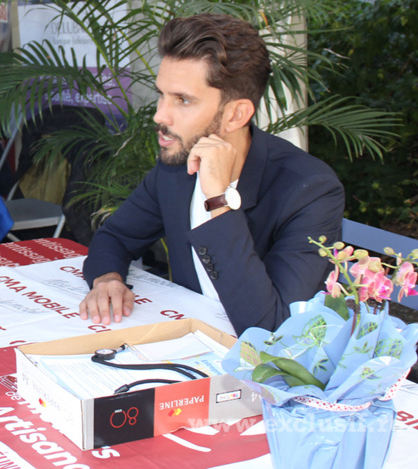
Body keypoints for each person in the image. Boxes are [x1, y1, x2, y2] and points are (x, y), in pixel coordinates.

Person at [79, 13, 344, 335]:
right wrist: (108, 278)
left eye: (183, 100)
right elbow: (116, 236)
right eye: (162, 94)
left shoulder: (309, 190)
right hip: (191, 343)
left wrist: (218, 201)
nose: (160, 115)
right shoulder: (177, 167)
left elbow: (273, 329)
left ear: (236, 114)